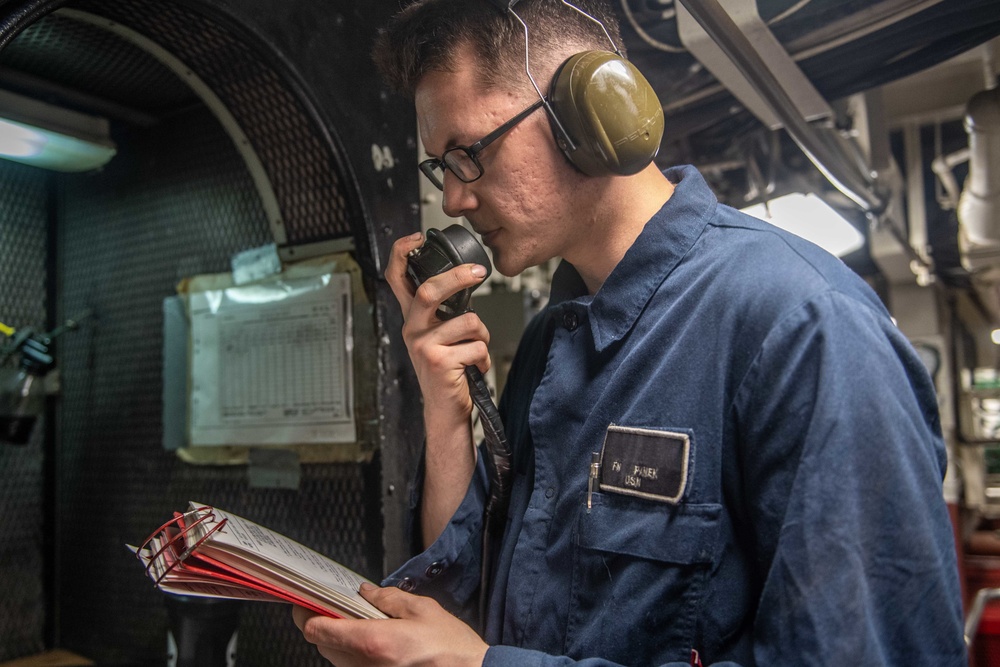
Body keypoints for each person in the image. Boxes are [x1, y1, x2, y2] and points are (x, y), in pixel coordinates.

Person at [293, 0, 967, 664]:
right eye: (442, 167)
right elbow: (473, 603)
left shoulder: (803, 327)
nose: (455, 200)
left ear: (591, 116)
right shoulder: (548, 343)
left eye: (469, 154)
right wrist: (446, 414)